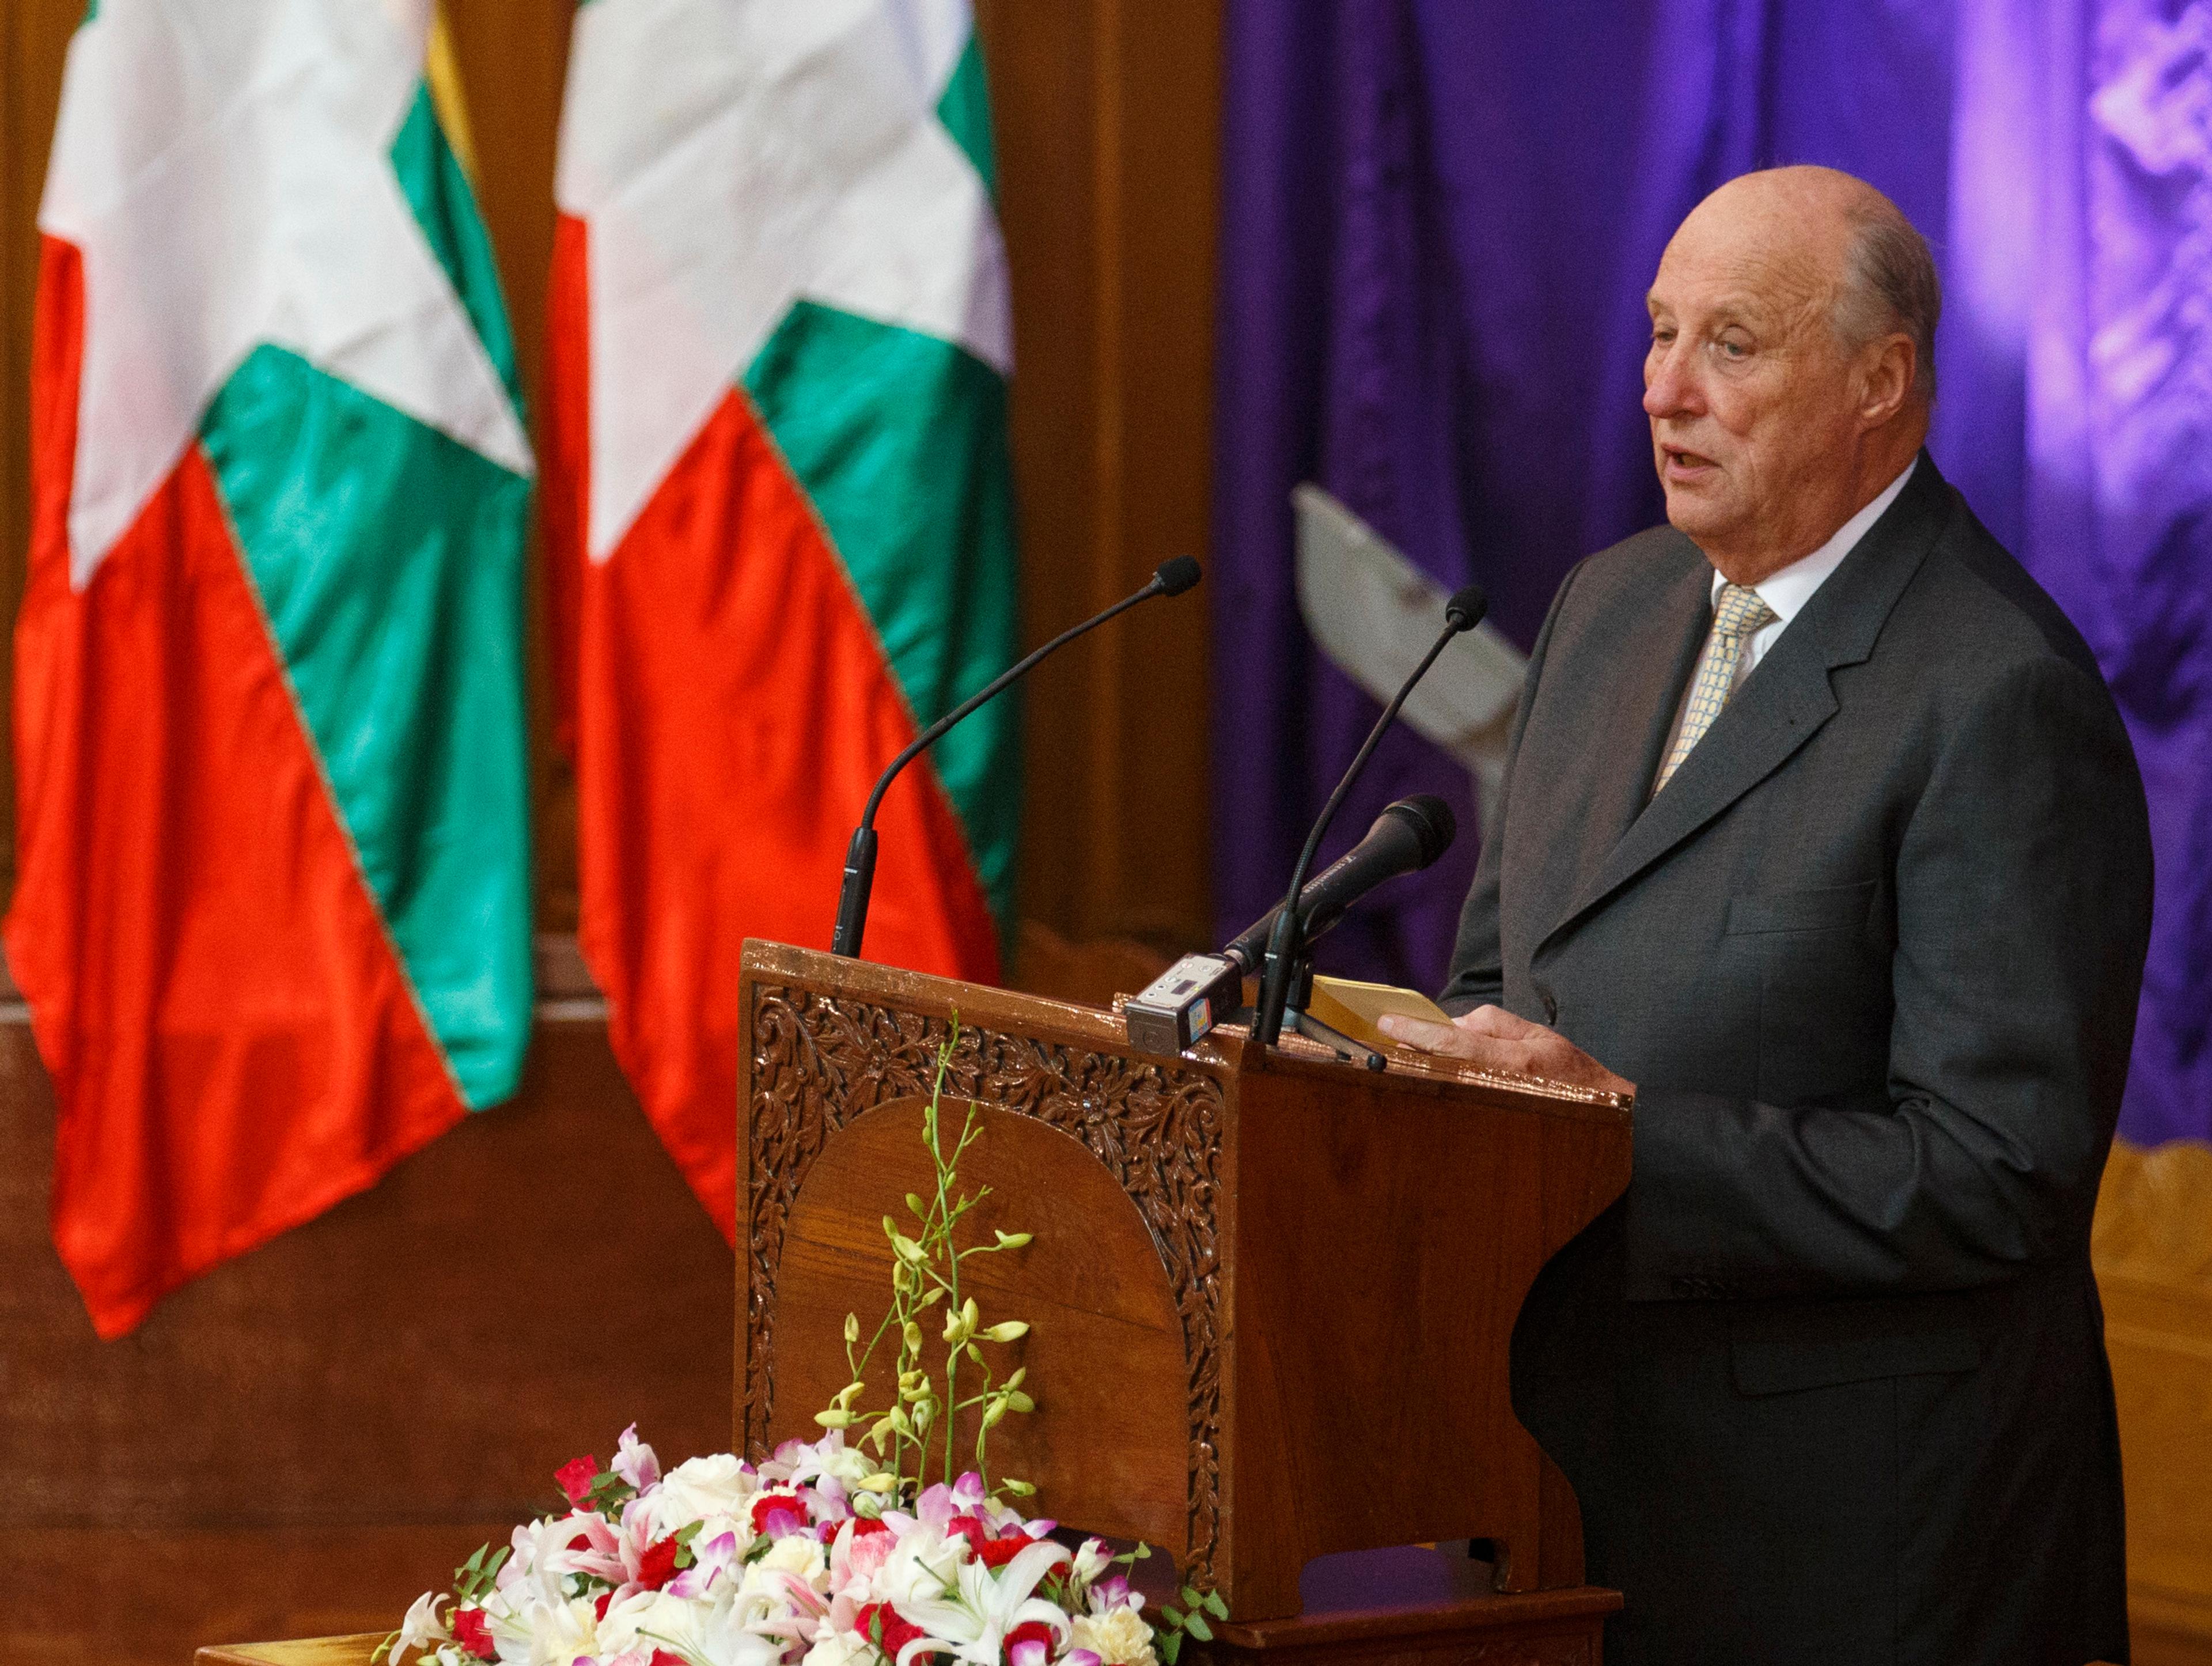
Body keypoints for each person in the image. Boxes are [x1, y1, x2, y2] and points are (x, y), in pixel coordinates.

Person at [1377, 166, 2152, 1666]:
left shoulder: (1999, 692)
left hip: (1854, 1548)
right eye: (1660, 332)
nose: (1664, 390)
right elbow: (1503, 982)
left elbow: (1996, 1172)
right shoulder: (1608, 607)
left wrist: (1617, 1138)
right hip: (1565, 1480)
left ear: (1880, 382)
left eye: (1731, 344)